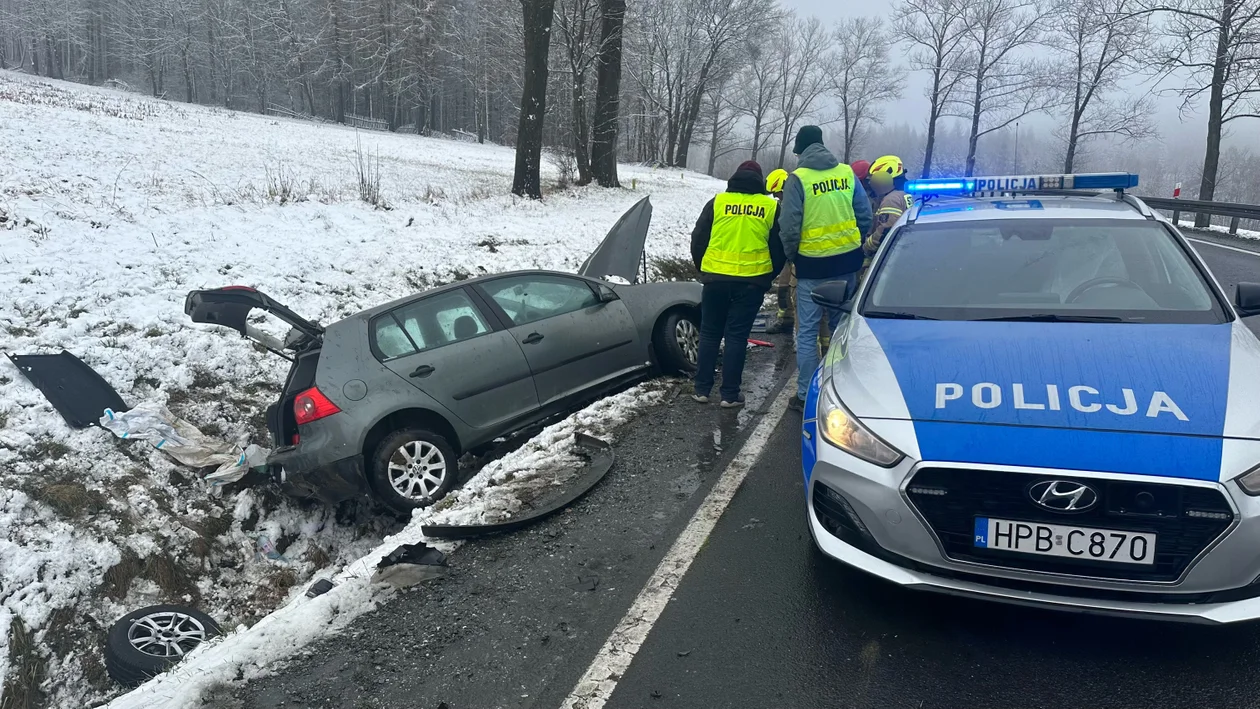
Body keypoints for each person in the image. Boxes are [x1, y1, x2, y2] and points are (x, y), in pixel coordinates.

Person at [778, 126, 873, 412]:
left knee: (807, 332)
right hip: (847, 263)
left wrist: (793, 256)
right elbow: (864, 215)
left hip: (811, 268)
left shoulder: (799, 179)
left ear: (801, 151)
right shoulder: (846, 173)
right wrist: (853, 245)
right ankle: (842, 389)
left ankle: (806, 394)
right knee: (841, 327)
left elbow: (790, 226)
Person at [690, 160, 786, 408]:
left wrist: (705, 268)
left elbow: (698, 238)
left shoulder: (718, 202)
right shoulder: (770, 207)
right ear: (760, 181)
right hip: (751, 284)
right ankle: (729, 395)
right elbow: (779, 247)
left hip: (715, 280)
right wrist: (767, 276)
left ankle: (701, 389)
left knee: (710, 334)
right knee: (736, 337)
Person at [860, 155, 914, 283]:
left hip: (888, 258)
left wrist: (866, 247)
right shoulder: (903, 195)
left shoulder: (891, 200)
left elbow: (885, 230)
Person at [763, 168, 795, 336]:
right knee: (783, 288)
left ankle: (790, 321)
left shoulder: (795, 201)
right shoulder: (783, 204)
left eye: (777, 193)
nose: (776, 197)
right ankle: (786, 320)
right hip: (787, 253)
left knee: (790, 289)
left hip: (796, 253)